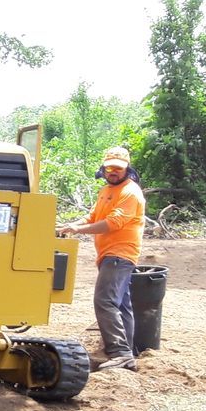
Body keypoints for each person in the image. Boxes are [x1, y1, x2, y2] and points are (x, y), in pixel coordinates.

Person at [58, 146, 146, 370]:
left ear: (127, 169)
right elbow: (94, 216)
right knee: (121, 304)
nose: (113, 172)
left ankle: (120, 353)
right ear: (103, 169)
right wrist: (71, 226)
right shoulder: (106, 191)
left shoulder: (130, 192)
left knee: (104, 301)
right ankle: (125, 352)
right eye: (110, 168)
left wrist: (79, 231)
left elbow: (113, 223)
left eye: (118, 168)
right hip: (109, 254)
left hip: (120, 253)